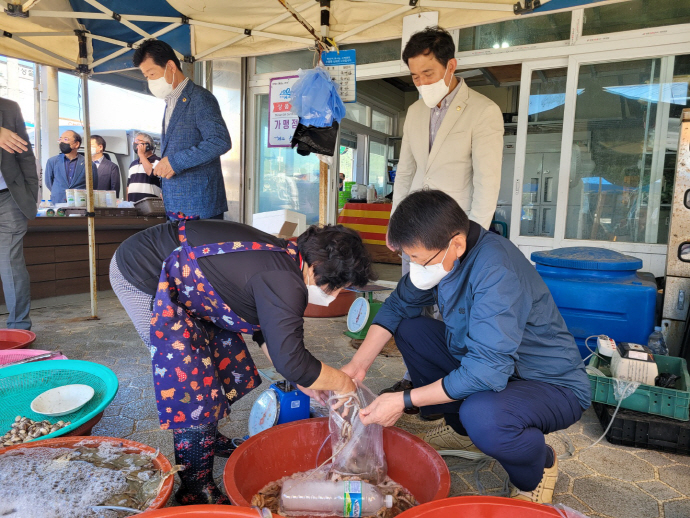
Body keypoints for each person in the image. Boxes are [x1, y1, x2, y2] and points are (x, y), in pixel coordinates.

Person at [342, 190, 590, 505]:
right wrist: (358, 365)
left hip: (549, 384)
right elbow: (398, 306)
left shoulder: (496, 271)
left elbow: (487, 372)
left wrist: (403, 400)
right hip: (490, 365)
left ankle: (538, 466)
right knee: (411, 328)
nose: (414, 267)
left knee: (484, 416)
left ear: (456, 244)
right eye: (409, 258)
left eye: (418, 259)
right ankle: (463, 433)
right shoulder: (445, 250)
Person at [111, 218, 375, 505]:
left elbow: (270, 334)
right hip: (141, 273)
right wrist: (344, 384)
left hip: (178, 274)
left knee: (207, 367)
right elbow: (292, 361)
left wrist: (304, 381)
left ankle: (206, 442)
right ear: (317, 268)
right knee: (191, 384)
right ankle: (194, 488)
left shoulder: (288, 256)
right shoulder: (284, 279)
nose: (333, 295)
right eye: (336, 287)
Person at [382, 26, 504, 398]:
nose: (421, 82)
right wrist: (394, 228)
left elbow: (487, 182)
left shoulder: (483, 111)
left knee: (452, 309)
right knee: (412, 305)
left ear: (451, 66)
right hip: (415, 230)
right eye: (415, 76)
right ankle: (414, 377)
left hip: (454, 234)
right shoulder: (415, 111)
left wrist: (473, 239)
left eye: (428, 74)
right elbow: (406, 172)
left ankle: (454, 384)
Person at [133, 39, 230, 220]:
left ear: (170, 66)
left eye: (151, 74)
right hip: (177, 205)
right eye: (146, 76)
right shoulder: (171, 102)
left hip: (200, 207)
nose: (149, 81)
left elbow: (219, 140)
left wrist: (174, 162)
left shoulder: (200, 98)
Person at [0, 97, 38, 330]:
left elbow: (25, 155)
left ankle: (19, 327)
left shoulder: (10, 107)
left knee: (11, 262)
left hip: (8, 195)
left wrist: (30, 194)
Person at [45, 130, 97, 204]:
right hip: (58, 202)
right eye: (60, 139)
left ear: (76, 144)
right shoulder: (52, 161)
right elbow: (49, 183)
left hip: (80, 203)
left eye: (66, 139)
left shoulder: (88, 163)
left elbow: (93, 185)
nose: (62, 142)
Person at [126, 132, 162, 202]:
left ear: (147, 144)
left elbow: (151, 172)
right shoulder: (133, 164)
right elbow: (128, 186)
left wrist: (141, 154)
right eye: (134, 142)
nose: (135, 144)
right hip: (133, 205)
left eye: (138, 141)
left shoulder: (157, 161)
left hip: (150, 206)